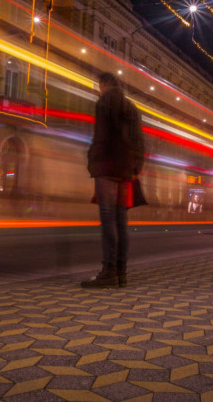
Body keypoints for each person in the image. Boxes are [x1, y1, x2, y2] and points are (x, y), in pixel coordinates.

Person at [82, 72, 145, 288]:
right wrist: (136, 167)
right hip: (126, 172)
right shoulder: (132, 108)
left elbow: (100, 136)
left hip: (107, 168)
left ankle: (108, 271)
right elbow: (139, 141)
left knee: (108, 220)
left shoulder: (105, 102)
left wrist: (92, 161)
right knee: (121, 222)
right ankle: (121, 273)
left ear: (104, 84)